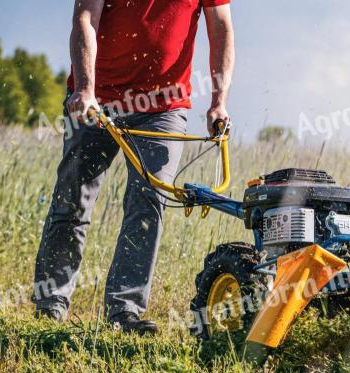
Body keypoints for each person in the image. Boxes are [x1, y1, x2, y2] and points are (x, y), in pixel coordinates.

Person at [32, 0, 235, 335]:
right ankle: (50, 302)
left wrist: (218, 103)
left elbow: (221, 27)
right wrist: (84, 88)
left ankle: (124, 310)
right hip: (97, 98)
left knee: (149, 200)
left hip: (164, 106)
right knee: (73, 198)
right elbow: (85, 17)